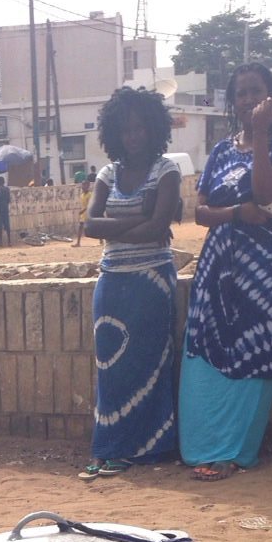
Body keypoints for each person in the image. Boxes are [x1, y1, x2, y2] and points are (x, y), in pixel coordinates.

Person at [178, 62, 272, 480]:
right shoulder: (220, 150)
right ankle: (201, 448)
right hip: (219, 268)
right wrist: (237, 213)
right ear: (232, 102)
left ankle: (234, 452)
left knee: (256, 349)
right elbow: (199, 213)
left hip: (267, 271)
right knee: (206, 350)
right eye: (241, 93)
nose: (248, 99)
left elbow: (266, 192)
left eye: (256, 91)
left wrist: (263, 135)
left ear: (271, 96)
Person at [77, 87, 181, 480]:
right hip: (112, 281)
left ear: (153, 129)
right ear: (114, 133)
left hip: (151, 281)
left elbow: (160, 228)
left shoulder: (167, 169)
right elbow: (90, 225)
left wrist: (119, 228)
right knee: (111, 366)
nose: (133, 136)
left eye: (140, 128)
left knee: (150, 364)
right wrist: (143, 222)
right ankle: (108, 447)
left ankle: (147, 448)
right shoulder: (106, 174)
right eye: (126, 129)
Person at [72, 171, 96, 246]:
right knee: (80, 227)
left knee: (94, 226)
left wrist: (83, 210)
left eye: (85, 185)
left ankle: (101, 239)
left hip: (89, 213)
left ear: (88, 186)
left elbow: (90, 205)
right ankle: (78, 243)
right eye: (82, 185)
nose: (83, 187)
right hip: (84, 214)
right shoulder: (82, 195)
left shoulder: (90, 194)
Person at [0, 175, 11, 245]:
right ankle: (9, 241)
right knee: (7, 224)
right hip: (5, 208)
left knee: (0, 225)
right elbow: (9, 200)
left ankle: (1, 242)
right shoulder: (7, 189)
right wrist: (5, 204)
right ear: (4, 182)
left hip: (0, 208)